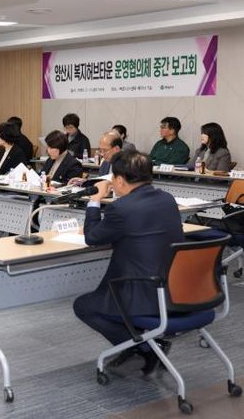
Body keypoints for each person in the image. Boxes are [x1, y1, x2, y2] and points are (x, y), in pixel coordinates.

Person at [73, 151, 183, 373]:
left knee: (83, 306)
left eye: (113, 179)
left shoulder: (121, 208)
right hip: (174, 288)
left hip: (140, 291)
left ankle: (145, 348)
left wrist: (95, 201)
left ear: (121, 180)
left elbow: (92, 237)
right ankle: (145, 344)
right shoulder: (167, 199)